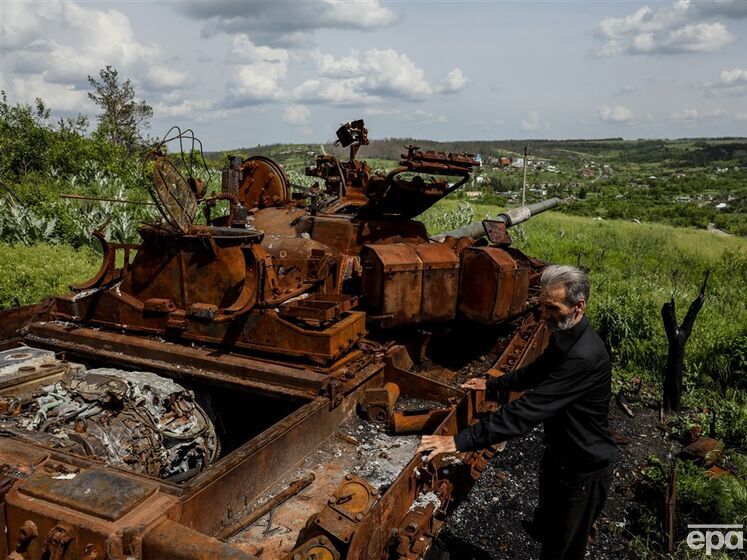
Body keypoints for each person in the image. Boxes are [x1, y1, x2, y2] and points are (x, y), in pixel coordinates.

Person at [418, 265, 618, 560]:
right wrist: (491, 383)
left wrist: (457, 442)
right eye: (541, 306)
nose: (543, 315)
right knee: (549, 526)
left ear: (579, 307)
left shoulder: (583, 356)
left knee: (562, 551)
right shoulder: (566, 334)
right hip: (561, 455)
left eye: (552, 308)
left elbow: (527, 411)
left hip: (584, 468)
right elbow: (536, 372)